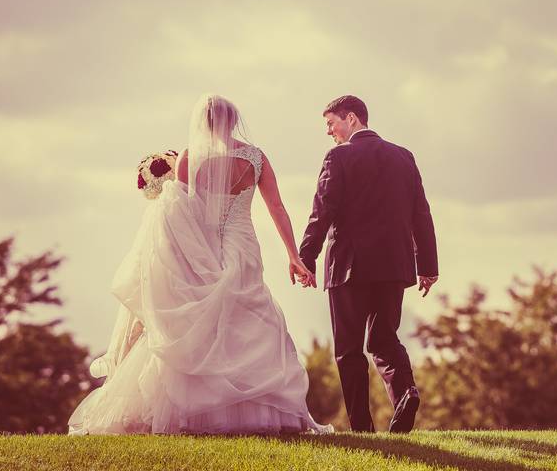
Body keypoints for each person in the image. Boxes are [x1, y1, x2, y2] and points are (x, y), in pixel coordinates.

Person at [68, 94, 331, 435]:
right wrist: (294, 257)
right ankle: (252, 412)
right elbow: (277, 207)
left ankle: (199, 412)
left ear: (202, 123)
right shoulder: (256, 157)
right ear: (234, 121)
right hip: (243, 243)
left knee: (200, 323)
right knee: (249, 316)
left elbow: (178, 214)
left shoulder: (191, 159)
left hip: (201, 246)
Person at [298, 95, 438, 433]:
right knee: (384, 340)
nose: (329, 132)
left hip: (349, 266)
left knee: (348, 349)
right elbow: (422, 213)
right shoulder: (404, 157)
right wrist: (428, 266)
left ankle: (362, 427)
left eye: (331, 124)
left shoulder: (338, 156)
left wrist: (306, 257)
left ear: (351, 119)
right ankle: (406, 393)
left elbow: (323, 210)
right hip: (393, 266)